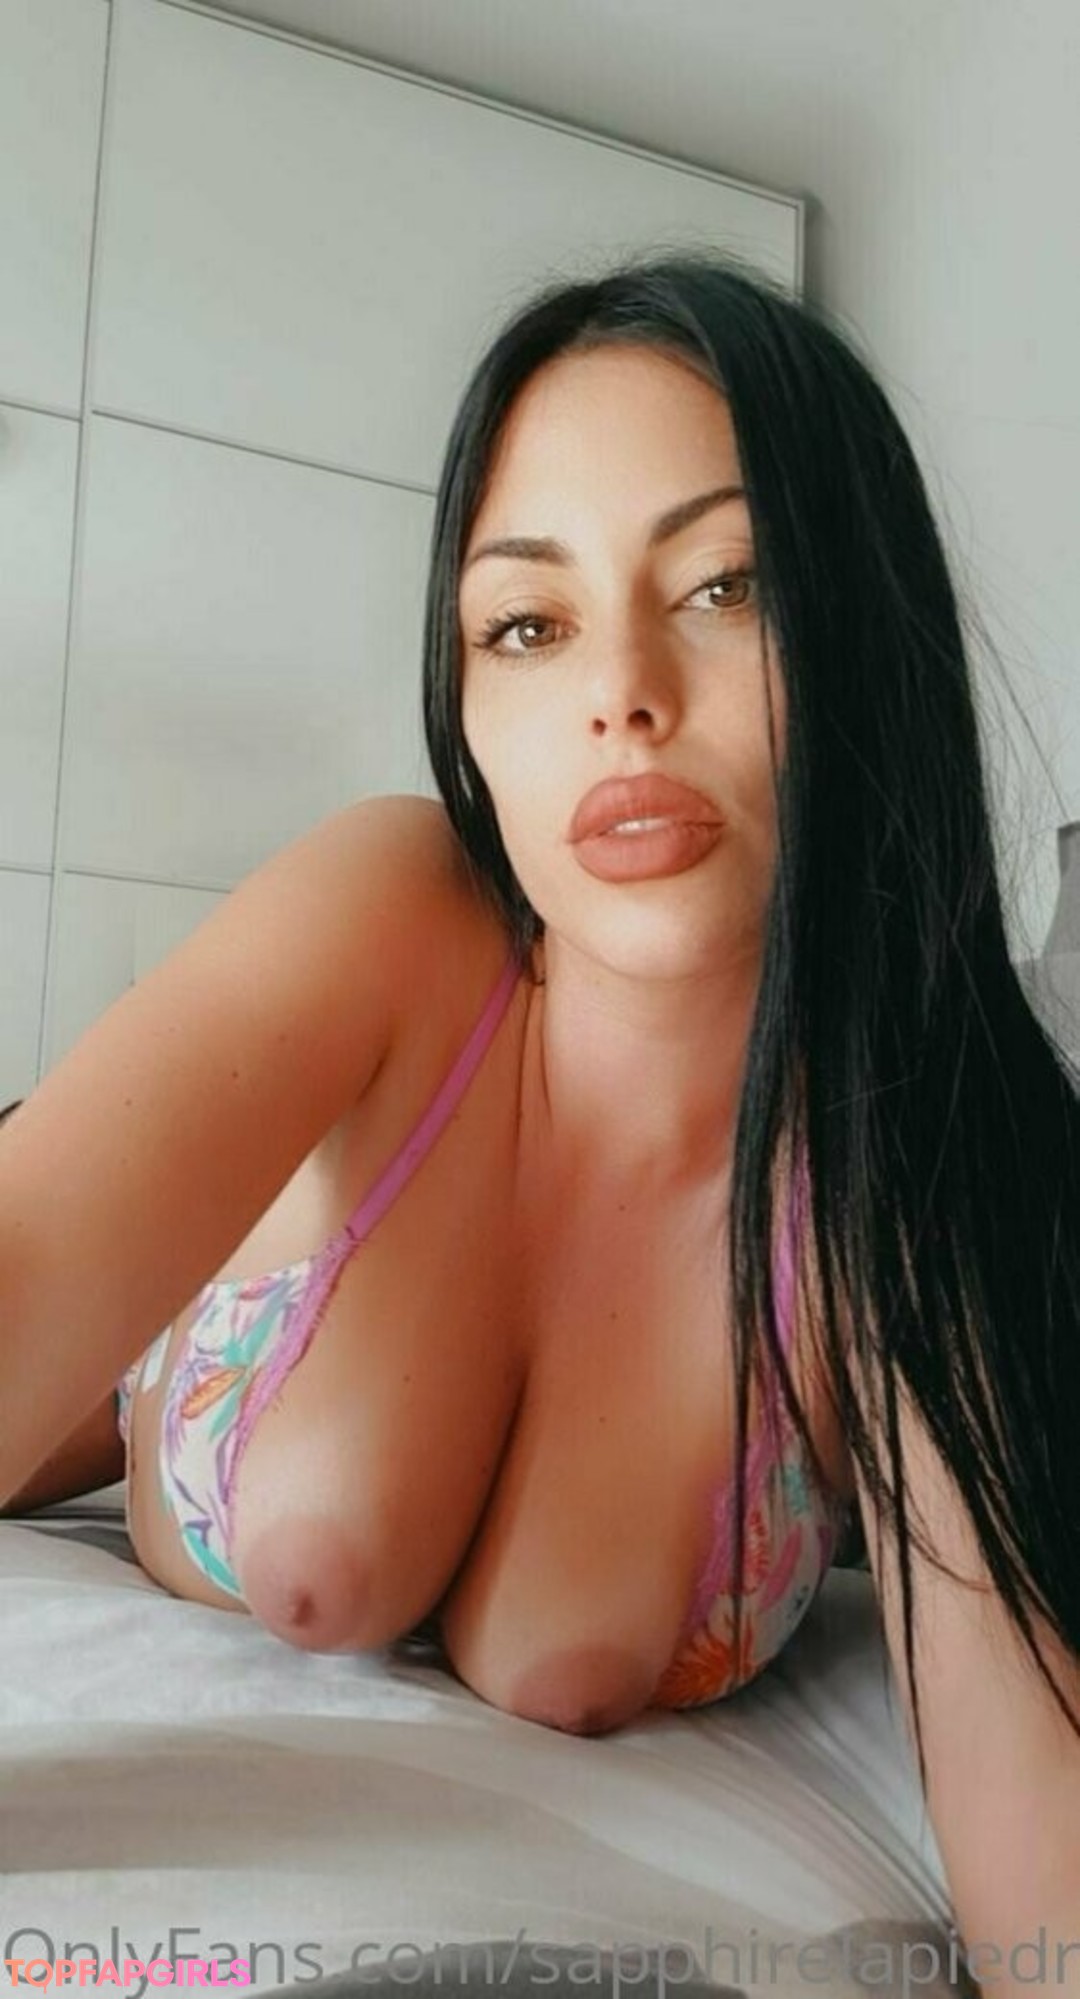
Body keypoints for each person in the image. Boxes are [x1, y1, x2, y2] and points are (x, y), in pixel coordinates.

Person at [2, 251, 1078, 1971]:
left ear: (866, 636)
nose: (621, 693)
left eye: (727, 586)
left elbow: (1041, 1817)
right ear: (469, 706)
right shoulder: (393, 909)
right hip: (137, 1315)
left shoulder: (914, 1158)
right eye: (527, 623)